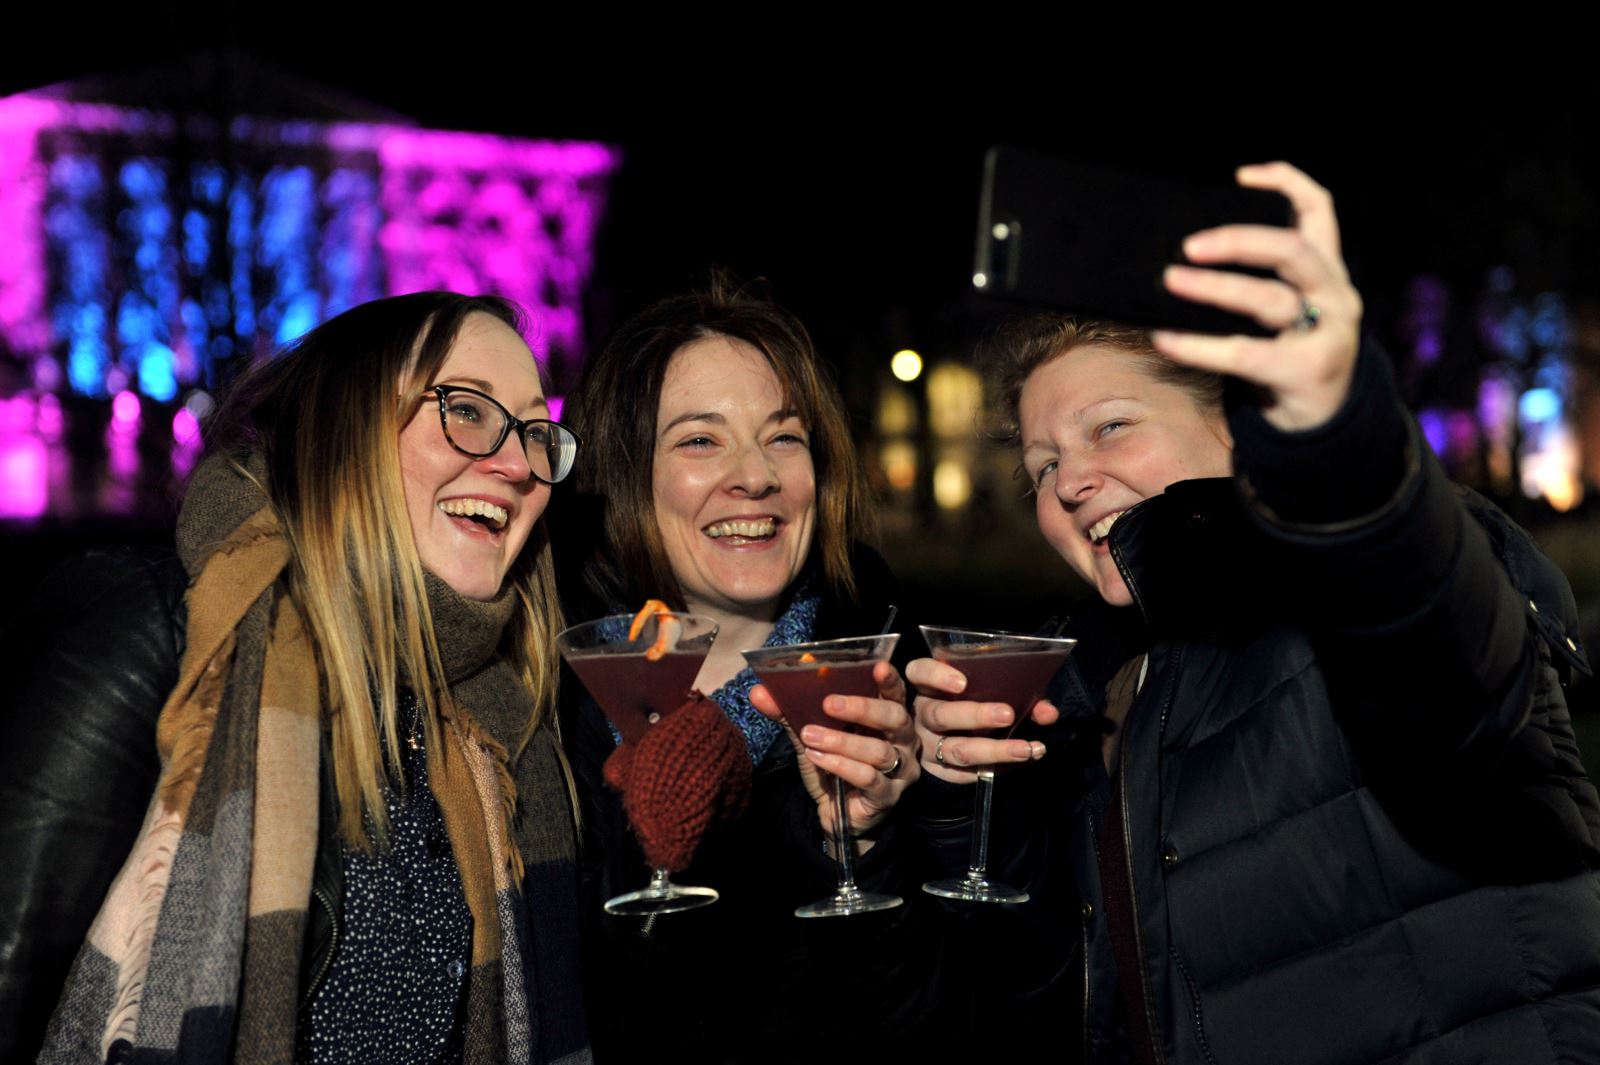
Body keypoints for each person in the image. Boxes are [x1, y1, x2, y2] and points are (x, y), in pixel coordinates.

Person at [910, 163, 1600, 1064]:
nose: (1069, 480)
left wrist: (1345, 444)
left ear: (1237, 424)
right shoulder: (1091, 694)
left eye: (1111, 427)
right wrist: (963, 807)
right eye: (1041, 465)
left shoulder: (1358, 582)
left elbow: (1451, 677)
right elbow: (1055, 1003)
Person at [0, 292, 591, 1064]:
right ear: (344, 428)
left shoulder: (508, 717)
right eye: (469, 411)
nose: (518, 466)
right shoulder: (155, 634)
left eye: (535, 430)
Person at [556, 277, 935, 1063]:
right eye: (701, 439)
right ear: (629, 473)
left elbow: (944, 1024)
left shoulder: (901, 689)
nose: (754, 475)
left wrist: (870, 847)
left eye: (784, 437)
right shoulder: (552, 702)